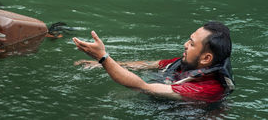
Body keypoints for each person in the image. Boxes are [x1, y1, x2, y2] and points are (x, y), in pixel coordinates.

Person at [73, 21, 235, 103]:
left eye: (192, 44)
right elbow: (148, 64)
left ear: (206, 58)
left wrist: (103, 57)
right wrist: (96, 64)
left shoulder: (206, 89)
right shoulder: (188, 63)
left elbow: (142, 87)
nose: (185, 45)